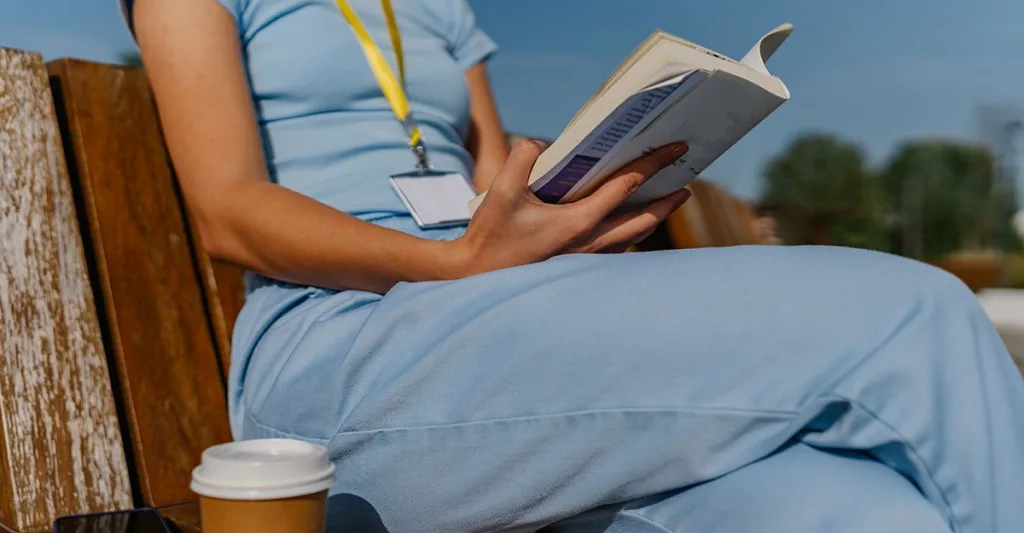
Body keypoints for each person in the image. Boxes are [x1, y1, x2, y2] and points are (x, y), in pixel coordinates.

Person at [122, 0, 1024, 531]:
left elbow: (486, 190)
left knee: (863, 513)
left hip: (488, 326)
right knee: (916, 314)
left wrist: (562, 212)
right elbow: (228, 210)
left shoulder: (441, 8)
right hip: (340, 352)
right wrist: (455, 264)